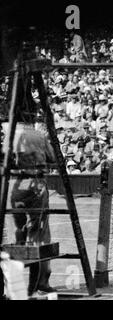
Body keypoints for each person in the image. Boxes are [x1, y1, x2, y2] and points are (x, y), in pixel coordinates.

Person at [4, 90, 57, 297]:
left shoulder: (10, 136)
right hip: (36, 185)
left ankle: (13, 287)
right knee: (39, 234)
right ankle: (41, 282)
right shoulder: (39, 135)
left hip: (15, 187)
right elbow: (53, 159)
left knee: (17, 234)